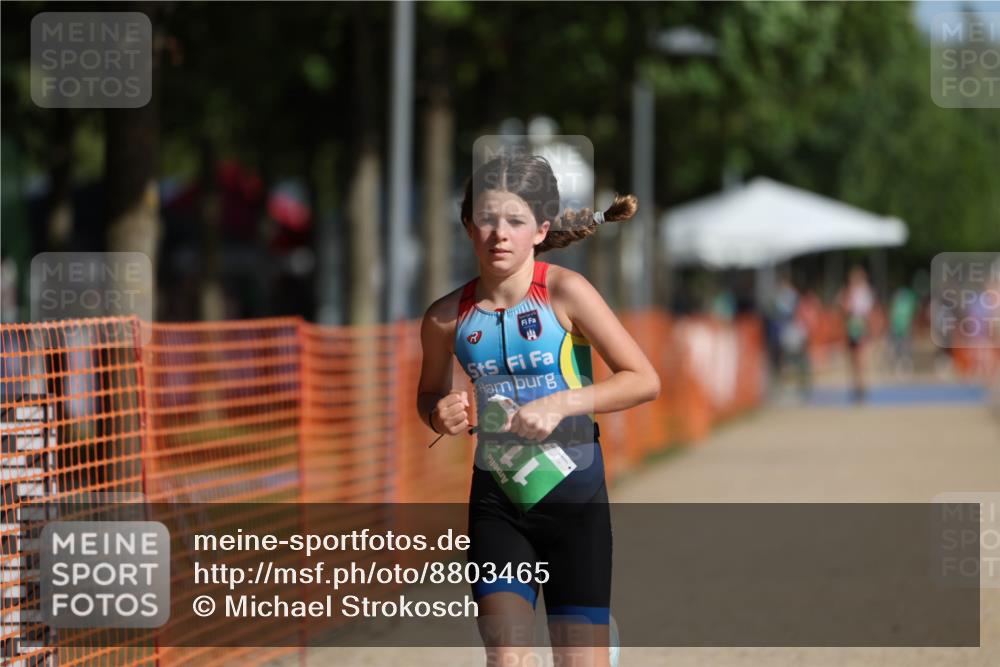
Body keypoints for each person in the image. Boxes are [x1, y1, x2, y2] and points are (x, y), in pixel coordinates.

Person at [417, 153, 660, 667]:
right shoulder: (444, 319)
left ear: (540, 229)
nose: (499, 234)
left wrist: (562, 402)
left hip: (576, 499)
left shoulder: (566, 293)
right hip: (498, 504)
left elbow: (644, 380)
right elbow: (428, 397)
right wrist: (441, 415)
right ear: (467, 226)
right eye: (486, 218)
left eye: (515, 221)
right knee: (506, 657)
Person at [837, 265, 876, 402]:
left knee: (860, 358)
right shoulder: (849, 291)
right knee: (853, 359)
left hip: (859, 326)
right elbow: (843, 305)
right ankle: (857, 386)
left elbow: (861, 311)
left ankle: (862, 387)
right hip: (852, 326)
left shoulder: (864, 292)